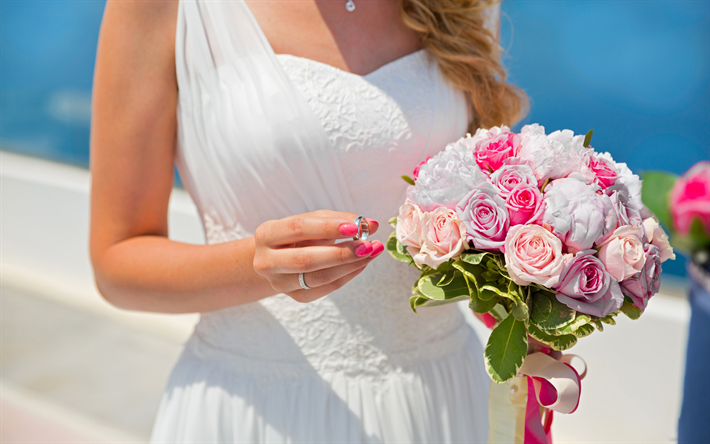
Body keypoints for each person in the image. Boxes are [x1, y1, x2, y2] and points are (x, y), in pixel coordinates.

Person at [90, 0, 527, 441]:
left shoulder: (469, 5)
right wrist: (257, 266)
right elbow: (116, 263)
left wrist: (536, 300)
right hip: (256, 407)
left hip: (440, 398)